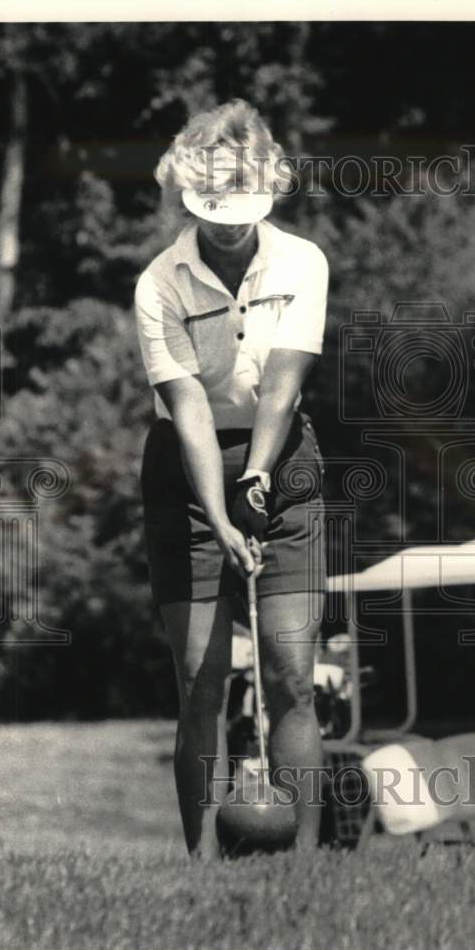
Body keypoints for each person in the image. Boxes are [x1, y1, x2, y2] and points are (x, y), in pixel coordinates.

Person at [134, 98, 329, 857]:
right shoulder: (159, 283)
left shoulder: (301, 262)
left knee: (291, 674)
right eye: (209, 203)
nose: (225, 220)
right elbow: (184, 405)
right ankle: (199, 864)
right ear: (186, 192)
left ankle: (304, 862)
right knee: (201, 684)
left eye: (239, 202)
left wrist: (255, 477)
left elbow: (281, 385)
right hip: (184, 473)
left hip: (283, 464)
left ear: (268, 190)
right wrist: (218, 512)